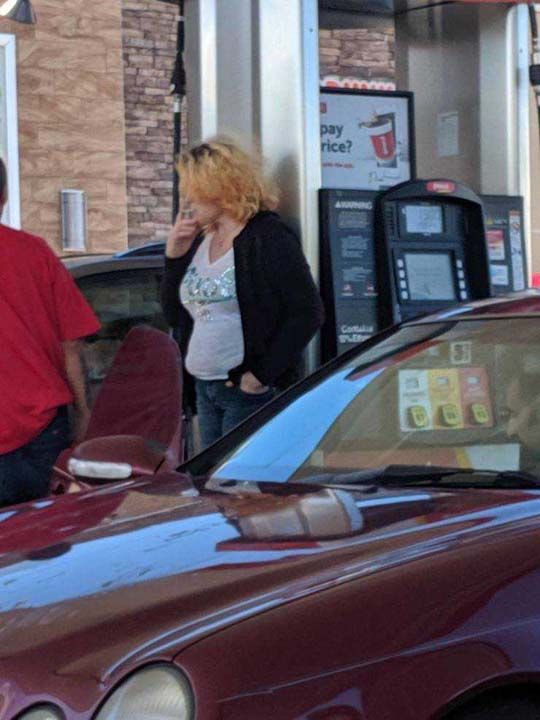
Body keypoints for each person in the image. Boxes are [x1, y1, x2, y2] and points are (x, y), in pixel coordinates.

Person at [162, 138, 324, 449]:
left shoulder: (267, 236)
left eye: (194, 191)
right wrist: (174, 257)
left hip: (244, 389)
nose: (188, 201)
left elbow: (308, 312)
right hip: (205, 386)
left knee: (238, 476)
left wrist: (259, 376)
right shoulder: (203, 239)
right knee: (212, 475)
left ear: (219, 188)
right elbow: (175, 316)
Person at [0, 158, 100, 507]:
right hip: (44, 430)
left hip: (31, 432)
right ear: (4, 197)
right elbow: (72, 342)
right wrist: (83, 413)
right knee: (49, 531)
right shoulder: (35, 252)